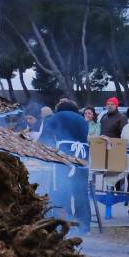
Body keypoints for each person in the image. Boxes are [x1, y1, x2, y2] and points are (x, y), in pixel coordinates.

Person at [38, 98, 91, 234]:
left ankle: (64, 224)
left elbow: (44, 138)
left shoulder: (57, 117)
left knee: (61, 190)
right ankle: (84, 226)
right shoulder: (82, 119)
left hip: (64, 155)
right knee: (80, 193)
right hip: (82, 157)